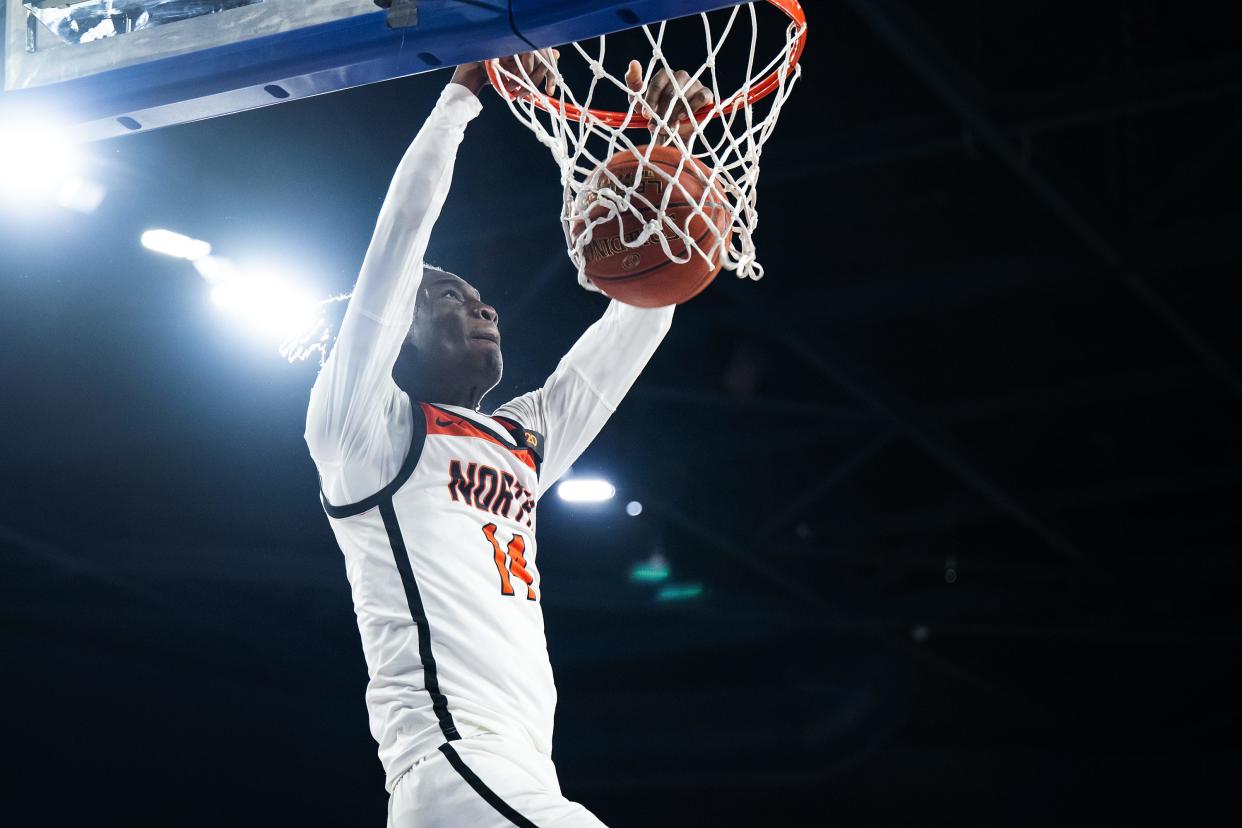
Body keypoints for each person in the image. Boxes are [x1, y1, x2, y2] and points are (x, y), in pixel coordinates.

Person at [305, 52, 714, 826]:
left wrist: (676, 155)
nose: (483, 308)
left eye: (484, 298)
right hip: (456, 764)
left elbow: (643, 317)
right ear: (397, 329)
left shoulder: (522, 440)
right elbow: (400, 236)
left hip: (513, 777)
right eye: (452, 299)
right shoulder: (366, 430)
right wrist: (463, 91)